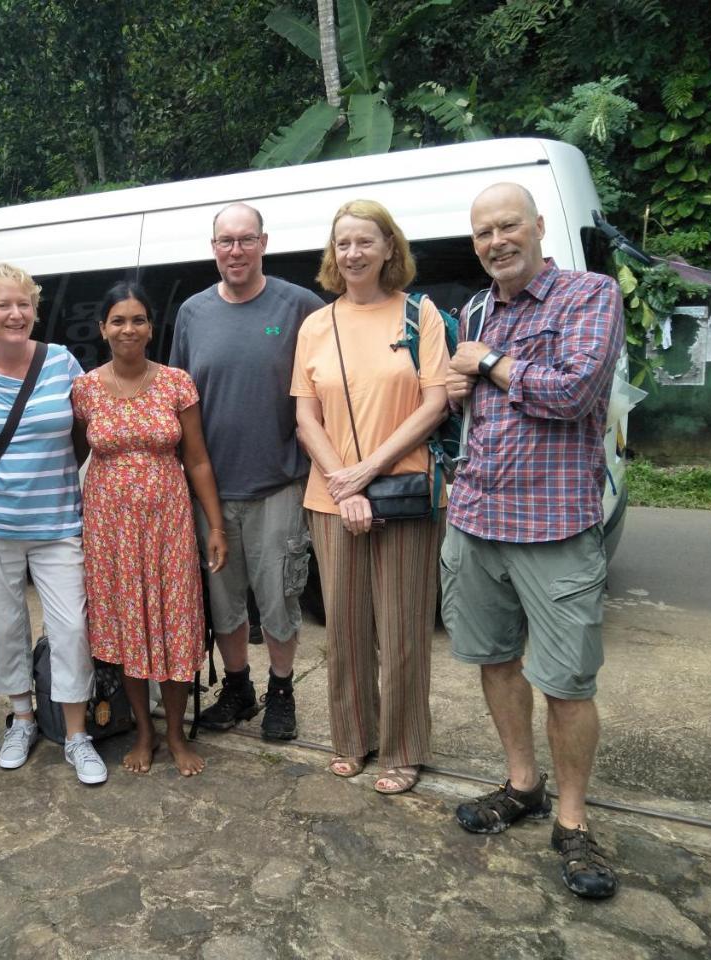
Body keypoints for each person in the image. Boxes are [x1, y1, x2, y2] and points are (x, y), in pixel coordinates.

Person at [443, 182, 623, 899]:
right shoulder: (476, 309)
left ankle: (573, 823)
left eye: (508, 225)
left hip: (553, 525)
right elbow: (475, 398)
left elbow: (576, 390)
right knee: (493, 661)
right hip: (477, 518)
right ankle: (523, 784)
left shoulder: (589, 294)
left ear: (539, 226)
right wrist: (459, 387)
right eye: (483, 232)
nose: (496, 241)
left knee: (568, 684)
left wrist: (485, 364)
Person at [291, 200, 449, 795]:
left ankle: (404, 748)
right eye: (342, 244)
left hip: (403, 493)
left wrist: (367, 473)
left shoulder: (419, 315)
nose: (352, 254)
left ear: (389, 247)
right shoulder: (315, 324)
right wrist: (343, 481)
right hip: (331, 497)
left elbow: (434, 404)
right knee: (347, 628)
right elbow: (307, 417)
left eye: (364, 242)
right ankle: (352, 737)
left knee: (406, 627)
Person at [168, 202, 324, 740]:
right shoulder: (192, 312)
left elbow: (323, 388)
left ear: (264, 242)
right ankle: (239, 688)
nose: (235, 251)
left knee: (280, 596)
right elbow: (179, 400)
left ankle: (282, 690)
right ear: (213, 248)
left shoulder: (300, 304)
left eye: (245, 239)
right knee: (223, 600)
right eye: (225, 241)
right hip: (208, 491)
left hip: (278, 481)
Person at [0, 263, 106, 785]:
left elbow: (87, 426)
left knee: (71, 629)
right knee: (6, 628)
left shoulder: (62, 363)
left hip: (58, 521)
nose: (14, 314)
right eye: (2, 304)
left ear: (35, 309)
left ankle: (76, 733)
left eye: (23, 304)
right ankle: (21, 718)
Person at [72, 282, 228, 777]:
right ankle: (145, 731)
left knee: (174, 625)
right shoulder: (86, 389)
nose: (128, 329)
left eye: (137, 319)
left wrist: (215, 526)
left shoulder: (177, 383)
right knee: (128, 629)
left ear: (150, 327)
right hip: (109, 529)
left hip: (168, 522)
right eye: (117, 320)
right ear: (102, 329)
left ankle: (177, 733)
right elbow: (76, 454)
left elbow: (198, 459)